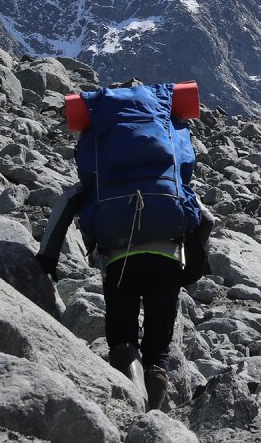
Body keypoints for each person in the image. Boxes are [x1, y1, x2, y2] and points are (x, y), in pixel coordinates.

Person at [36, 81, 214, 411]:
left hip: (119, 255)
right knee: (158, 347)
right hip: (166, 257)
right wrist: (193, 270)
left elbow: (66, 203)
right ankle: (155, 385)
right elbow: (206, 219)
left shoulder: (104, 162)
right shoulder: (166, 166)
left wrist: (46, 260)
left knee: (122, 337)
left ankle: (129, 380)